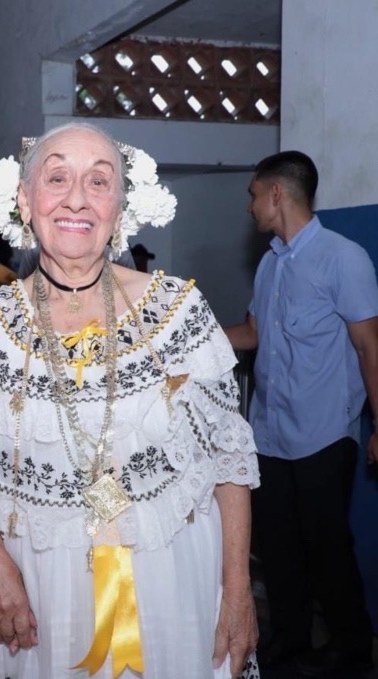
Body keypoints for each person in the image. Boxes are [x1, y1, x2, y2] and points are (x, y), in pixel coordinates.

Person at [0, 122, 260, 678]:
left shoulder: (178, 312)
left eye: (99, 181)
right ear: (24, 201)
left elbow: (229, 459)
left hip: (170, 579)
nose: (77, 198)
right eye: (57, 178)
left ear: (120, 208)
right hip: (40, 590)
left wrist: (238, 592)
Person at [225, 151, 378, 675]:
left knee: (327, 545)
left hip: (324, 432)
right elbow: (253, 336)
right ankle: (289, 644)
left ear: (276, 194)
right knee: (280, 546)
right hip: (270, 433)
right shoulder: (270, 263)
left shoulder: (344, 257)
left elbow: (368, 346)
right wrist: (185, 337)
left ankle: (353, 645)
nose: (249, 206)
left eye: (253, 194)